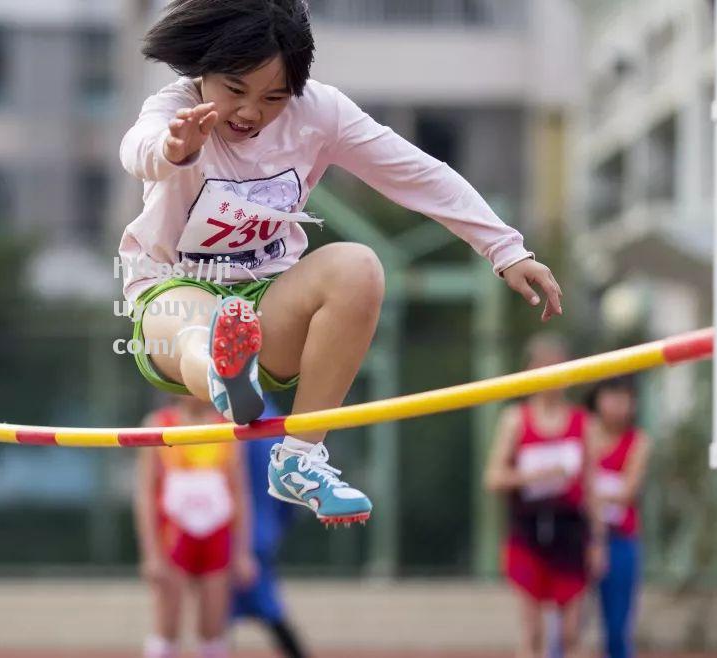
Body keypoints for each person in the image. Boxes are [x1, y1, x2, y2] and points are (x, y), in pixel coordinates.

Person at [119, 0, 563, 526]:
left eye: (273, 98)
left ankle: (300, 457)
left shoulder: (320, 113)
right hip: (173, 290)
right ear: (202, 71)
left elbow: (417, 172)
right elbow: (137, 147)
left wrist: (506, 249)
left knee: (359, 267)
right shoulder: (175, 110)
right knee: (196, 322)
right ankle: (222, 369)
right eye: (235, 91)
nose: (250, 113)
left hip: (270, 302)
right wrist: (173, 148)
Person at [484, 335, 606, 658]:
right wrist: (534, 475)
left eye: (557, 366)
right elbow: (493, 477)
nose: (551, 375)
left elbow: (592, 488)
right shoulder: (515, 420)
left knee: (570, 634)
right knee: (532, 632)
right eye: (543, 367)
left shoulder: (584, 423)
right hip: (528, 530)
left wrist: (598, 541)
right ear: (530, 371)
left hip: (570, 532)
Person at [135, 395, 258, 658]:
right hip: (174, 535)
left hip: (216, 534)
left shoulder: (228, 427)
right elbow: (146, 493)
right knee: (166, 629)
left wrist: (243, 552)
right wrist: (151, 554)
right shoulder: (158, 424)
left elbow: (240, 492)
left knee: (213, 631)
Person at [231, 394, 309, 658]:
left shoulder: (230, 419)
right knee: (265, 611)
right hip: (262, 530)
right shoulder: (276, 422)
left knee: (221, 616)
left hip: (237, 534)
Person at [586, 376, 649, 658]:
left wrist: (590, 490)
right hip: (578, 537)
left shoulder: (638, 440)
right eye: (611, 396)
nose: (618, 404)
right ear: (598, 398)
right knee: (565, 627)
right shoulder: (582, 432)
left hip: (621, 540)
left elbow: (627, 491)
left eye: (625, 397)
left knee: (616, 629)